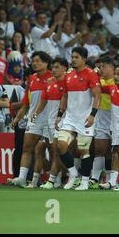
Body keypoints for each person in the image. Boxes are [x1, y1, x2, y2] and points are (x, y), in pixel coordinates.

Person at [55, 46, 101, 190]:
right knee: (61, 145)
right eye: (72, 57)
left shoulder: (91, 74)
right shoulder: (68, 75)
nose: (73, 60)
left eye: (76, 57)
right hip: (70, 118)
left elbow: (97, 96)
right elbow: (65, 96)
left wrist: (92, 115)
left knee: (83, 150)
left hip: (85, 118)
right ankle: (73, 173)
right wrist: (59, 115)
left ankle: (85, 182)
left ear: (84, 59)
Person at [8, 51, 52, 187]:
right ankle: (21, 178)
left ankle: (54, 179)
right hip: (34, 119)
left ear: (46, 63)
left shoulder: (53, 77)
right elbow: (26, 103)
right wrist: (17, 118)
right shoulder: (31, 79)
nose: (35, 63)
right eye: (33, 61)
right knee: (27, 148)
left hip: (50, 119)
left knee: (52, 151)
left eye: (38, 61)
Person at [32, 57, 68, 189]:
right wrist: (36, 112)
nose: (54, 70)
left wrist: (61, 116)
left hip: (62, 121)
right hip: (49, 122)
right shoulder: (49, 83)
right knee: (53, 152)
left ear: (65, 68)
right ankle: (61, 177)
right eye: (53, 67)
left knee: (58, 151)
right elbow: (44, 100)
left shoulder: (67, 82)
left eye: (57, 67)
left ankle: (54, 179)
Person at [90, 57, 115, 189]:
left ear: (111, 67)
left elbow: (106, 89)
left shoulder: (117, 79)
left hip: (115, 117)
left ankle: (111, 180)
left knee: (114, 151)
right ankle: (94, 178)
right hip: (101, 116)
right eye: (99, 67)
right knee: (99, 149)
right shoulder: (98, 80)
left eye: (103, 67)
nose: (101, 69)